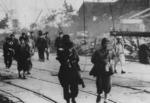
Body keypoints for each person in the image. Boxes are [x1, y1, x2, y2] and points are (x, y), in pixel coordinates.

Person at [57, 34, 84, 103]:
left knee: (73, 86)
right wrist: (67, 60)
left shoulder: (72, 48)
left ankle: (71, 98)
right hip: (65, 68)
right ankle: (69, 99)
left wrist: (73, 60)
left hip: (72, 68)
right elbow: (60, 58)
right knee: (67, 86)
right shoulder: (61, 48)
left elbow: (77, 58)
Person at [90, 38, 115, 103]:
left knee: (107, 84)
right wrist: (100, 61)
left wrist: (110, 63)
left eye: (107, 43)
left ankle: (106, 98)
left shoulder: (110, 51)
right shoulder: (97, 52)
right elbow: (92, 60)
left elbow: (112, 59)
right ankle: (99, 95)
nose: (106, 45)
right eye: (105, 43)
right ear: (102, 44)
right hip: (100, 71)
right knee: (99, 84)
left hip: (107, 71)